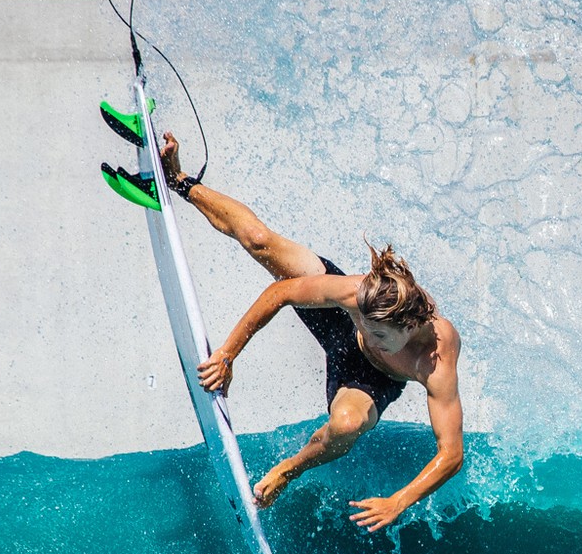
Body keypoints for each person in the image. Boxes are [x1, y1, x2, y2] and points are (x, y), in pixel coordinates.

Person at [158, 133, 464, 532]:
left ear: (408, 327)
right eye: (367, 328)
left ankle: (289, 469)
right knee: (260, 241)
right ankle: (179, 181)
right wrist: (227, 354)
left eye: (382, 338)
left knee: (347, 424)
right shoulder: (356, 294)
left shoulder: (435, 358)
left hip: (368, 379)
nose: (371, 339)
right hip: (336, 322)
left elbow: (451, 453)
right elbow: (282, 293)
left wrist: (398, 501)